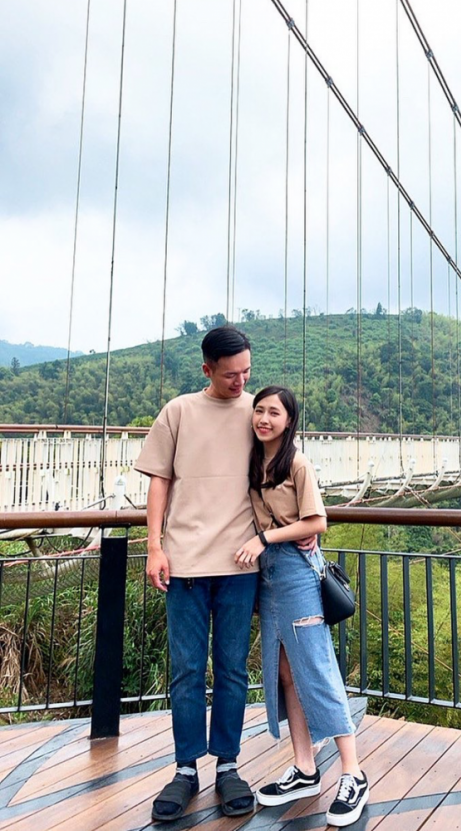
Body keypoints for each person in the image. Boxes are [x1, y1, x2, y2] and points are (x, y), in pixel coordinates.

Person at [135, 325, 259, 822]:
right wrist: (153, 547)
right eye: (230, 374)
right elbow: (159, 482)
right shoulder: (178, 411)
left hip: (240, 564)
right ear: (206, 369)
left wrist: (303, 525)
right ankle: (185, 769)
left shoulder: (258, 412)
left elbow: (282, 474)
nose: (240, 381)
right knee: (187, 672)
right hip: (184, 562)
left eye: (247, 372)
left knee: (232, 670)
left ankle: (228, 766)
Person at [234, 385, 369, 828]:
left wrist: (267, 538)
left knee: (316, 666)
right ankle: (305, 768)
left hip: (296, 572)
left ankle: (353, 773)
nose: (264, 418)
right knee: (284, 671)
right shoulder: (255, 461)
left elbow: (318, 522)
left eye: (274, 412)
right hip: (268, 577)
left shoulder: (297, 462)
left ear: (289, 420)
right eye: (259, 410)